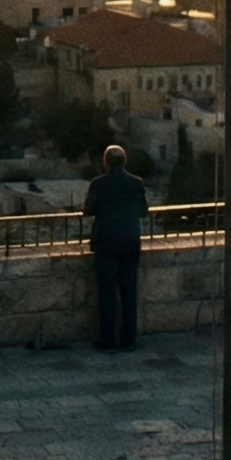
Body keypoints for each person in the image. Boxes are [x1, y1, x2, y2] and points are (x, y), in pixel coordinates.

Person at [84, 144, 148, 352]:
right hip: (130, 242)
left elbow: (88, 209)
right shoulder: (136, 183)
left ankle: (108, 341)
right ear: (124, 161)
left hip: (106, 243)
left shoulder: (98, 184)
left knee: (107, 295)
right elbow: (143, 210)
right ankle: (128, 340)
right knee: (129, 294)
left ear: (106, 163)